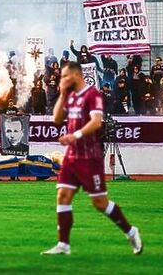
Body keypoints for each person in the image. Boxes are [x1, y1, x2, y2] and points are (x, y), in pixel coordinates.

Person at [42, 61, 142, 256]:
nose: (62, 80)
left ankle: (131, 232)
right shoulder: (70, 96)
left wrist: (75, 135)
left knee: (100, 203)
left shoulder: (92, 94)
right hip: (72, 156)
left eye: (64, 76)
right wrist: (62, 94)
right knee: (62, 195)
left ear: (76, 75)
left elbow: (97, 122)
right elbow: (56, 119)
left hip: (90, 156)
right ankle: (63, 244)